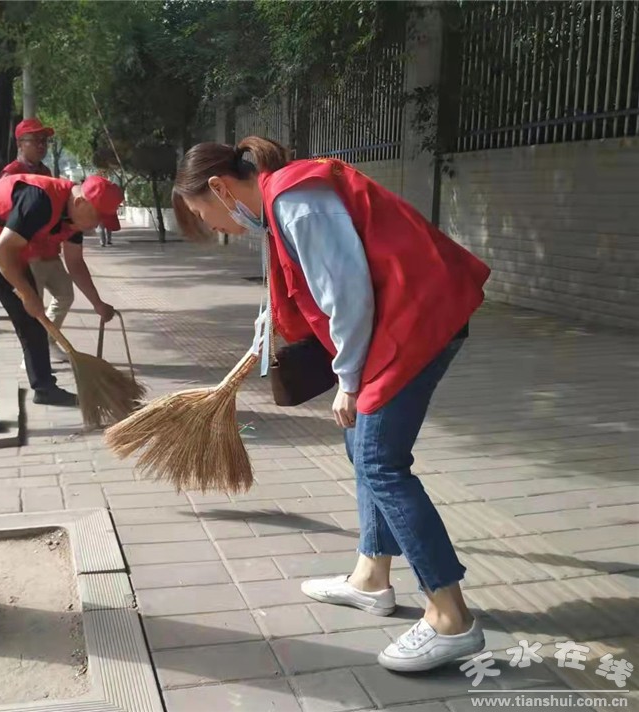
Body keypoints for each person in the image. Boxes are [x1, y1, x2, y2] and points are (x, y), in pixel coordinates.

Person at [172, 136, 491, 673]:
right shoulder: (281, 202)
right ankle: (371, 578)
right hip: (402, 317)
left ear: (220, 189)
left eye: (205, 215)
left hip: (417, 319)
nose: (215, 227)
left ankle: (450, 618)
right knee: (360, 443)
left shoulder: (296, 202)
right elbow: (307, 285)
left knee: (380, 463)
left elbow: (348, 295)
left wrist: (348, 379)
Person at [0, 172, 122, 432]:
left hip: (8, 251)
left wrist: (97, 303)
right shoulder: (39, 200)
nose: (97, 226)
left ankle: (45, 388)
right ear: (81, 203)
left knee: (32, 322)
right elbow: (1, 252)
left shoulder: (74, 219)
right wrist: (28, 294)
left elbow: (75, 264)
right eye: (98, 218)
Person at [1, 118, 74, 363]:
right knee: (33, 306)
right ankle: (33, 359)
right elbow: (6, 216)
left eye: (44, 140)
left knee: (65, 294)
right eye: (35, 140)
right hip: (27, 254)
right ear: (20, 143)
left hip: (49, 250)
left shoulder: (45, 172)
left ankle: (48, 342)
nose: (42, 145)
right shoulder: (11, 174)